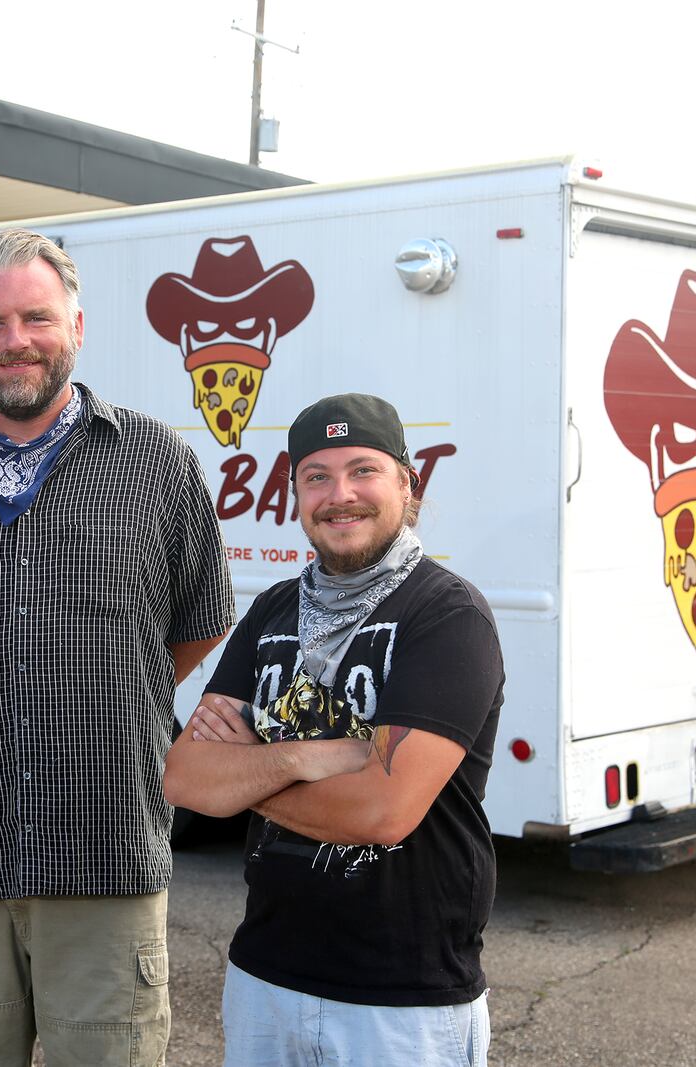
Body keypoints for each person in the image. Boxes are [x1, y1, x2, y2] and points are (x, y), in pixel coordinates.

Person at [0, 228, 234, 1066]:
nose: (14, 340)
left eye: (36, 317)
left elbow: (199, 619)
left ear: (78, 326)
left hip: (106, 849)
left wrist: (110, 684)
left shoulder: (158, 463)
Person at [163, 392, 503, 1067]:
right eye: (316, 475)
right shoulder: (272, 610)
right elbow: (185, 776)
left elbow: (383, 809)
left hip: (403, 999)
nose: (339, 494)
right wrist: (312, 756)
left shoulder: (446, 615)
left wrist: (246, 769)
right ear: (294, 495)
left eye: (362, 470)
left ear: (406, 483)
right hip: (263, 976)